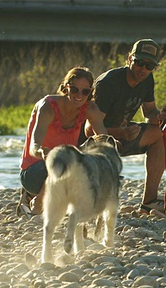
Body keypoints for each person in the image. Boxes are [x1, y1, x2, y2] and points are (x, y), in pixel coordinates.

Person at [82, 38, 166, 216]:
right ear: (129, 59)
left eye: (149, 65)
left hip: (123, 135)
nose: (143, 69)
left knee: (160, 134)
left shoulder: (146, 79)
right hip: (92, 142)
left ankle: (149, 202)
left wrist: (160, 117)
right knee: (103, 142)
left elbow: (149, 112)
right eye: (139, 63)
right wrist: (120, 132)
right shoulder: (108, 83)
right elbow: (91, 128)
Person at [19, 67, 107, 216]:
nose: (79, 95)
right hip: (34, 172)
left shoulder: (90, 109)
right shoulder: (48, 107)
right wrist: (44, 152)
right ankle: (36, 204)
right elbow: (33, 147)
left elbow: (105, 140)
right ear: (66, 88)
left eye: (85, 92)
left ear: (90, 92)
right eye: (74, 90)